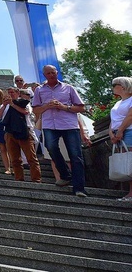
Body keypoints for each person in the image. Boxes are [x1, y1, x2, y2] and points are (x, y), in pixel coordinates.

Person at [32, 65, 87, 196]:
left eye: (53, 72)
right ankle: (65, 174)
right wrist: (47, 106)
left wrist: (63, 107)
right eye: (49, 73)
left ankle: (79, 188)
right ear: (44, 75)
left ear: (57, 73)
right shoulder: (39, 90)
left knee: (75, 155)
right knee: (50, 147)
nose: (52, 75)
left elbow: (81, 107)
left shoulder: (68, 88)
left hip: (69, 124)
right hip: (50, 124)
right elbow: (35, 110)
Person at [0, 87, 41, 182]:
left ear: (18, 93)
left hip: (24, 132)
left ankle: (36, 179)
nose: (10, 94)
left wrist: (12, 104)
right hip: (10, 133)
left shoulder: (24, 102)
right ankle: (19, 178)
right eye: (8, 93)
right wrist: (5, 106)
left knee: (31, 158)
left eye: (12, 92)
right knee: (15, 159)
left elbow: (26, 112)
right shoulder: (5, 105)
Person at [109, 76, 132, 202]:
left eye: (114, 85)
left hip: (128, 132)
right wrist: (111, 133)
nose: (112, 88)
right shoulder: (118, 103)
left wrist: (121, 130)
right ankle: (130, 192)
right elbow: (113, 119)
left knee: (130, 161)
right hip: (119, 134)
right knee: (126, 163)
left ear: (121, 86)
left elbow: (130, 116)